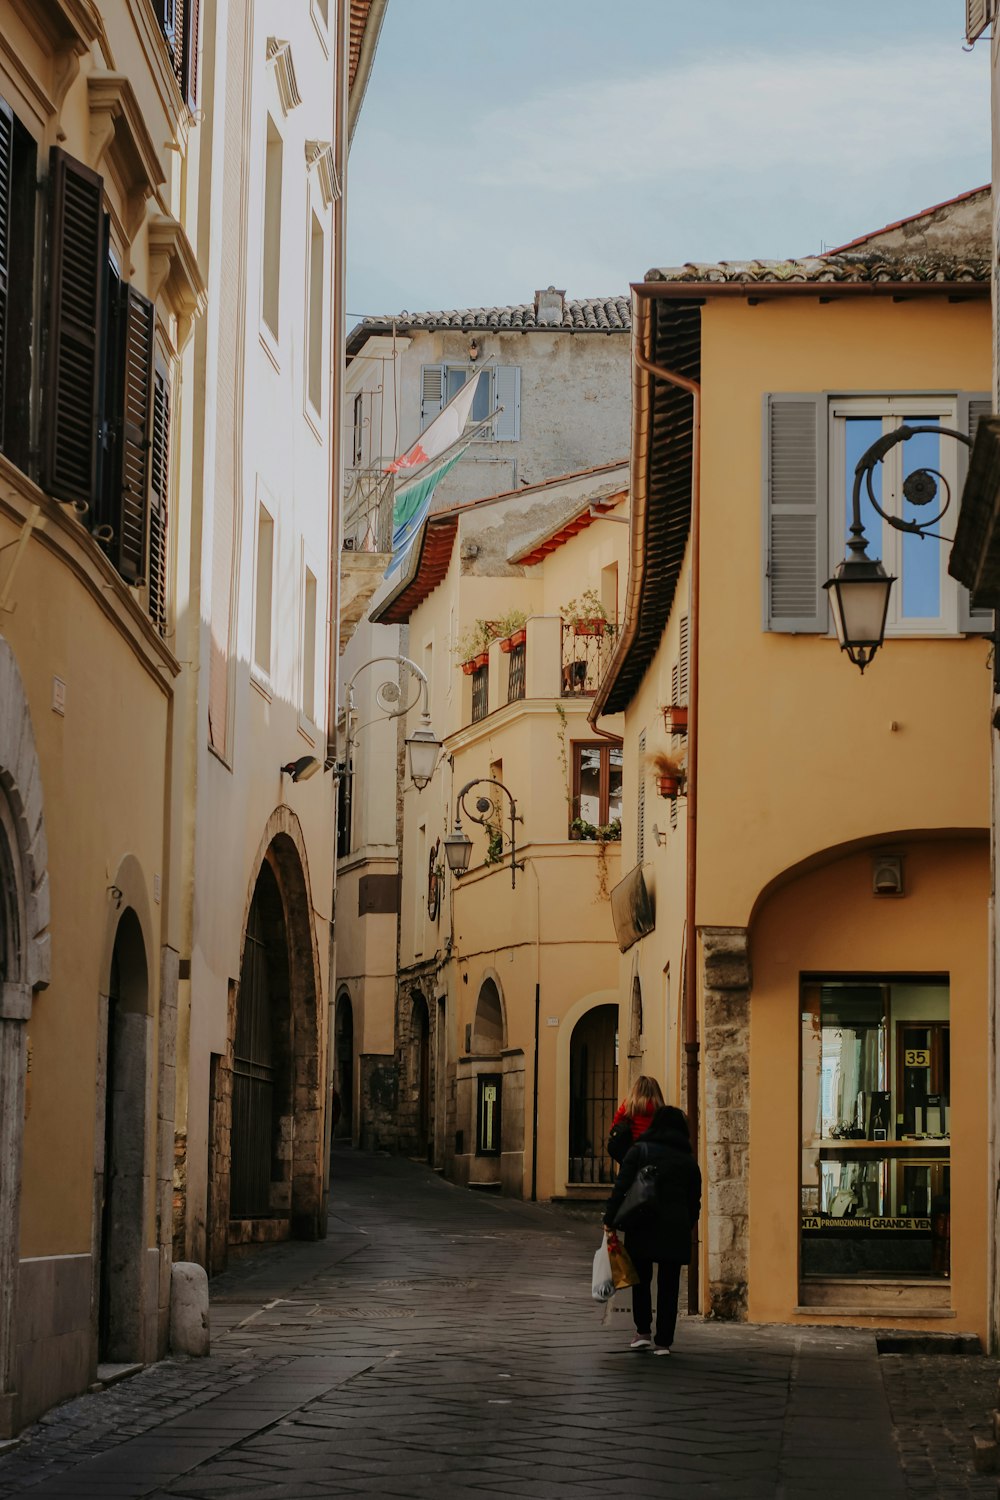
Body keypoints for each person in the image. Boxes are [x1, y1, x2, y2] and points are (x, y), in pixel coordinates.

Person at [602, 1104, 701, 1355]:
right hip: (675, 1228)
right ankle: (664, 1341)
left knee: (641, 1279)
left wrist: (610, 1219)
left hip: (642, 1223)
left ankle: (642, 1331)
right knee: (669, 1284)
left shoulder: (639, 1151)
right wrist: (687, 1224)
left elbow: (621, 1187)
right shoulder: (688, 1161)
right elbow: (694, 1200)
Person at [611, 1075, 666, 1146]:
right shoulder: (660, 1108)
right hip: (655, 1147)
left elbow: (614, 1127)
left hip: (633, 1148)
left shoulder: (628, 1106)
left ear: (636, 1089)